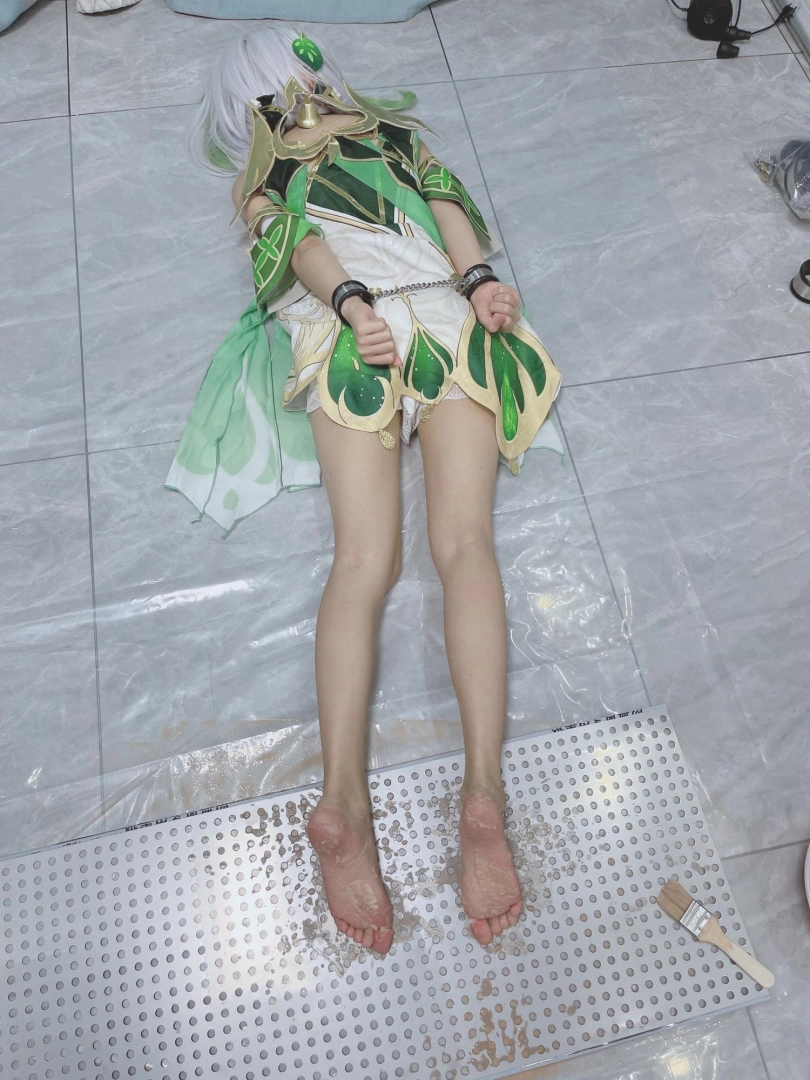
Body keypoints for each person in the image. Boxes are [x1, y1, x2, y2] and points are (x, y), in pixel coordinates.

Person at [169, 24, 562, 953]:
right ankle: (482, 790)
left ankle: (343, 796)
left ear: (244, 108)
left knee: (361, 564)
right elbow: (450, 210)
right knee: (464, 546)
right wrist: (481, 284)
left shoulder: (260, 175)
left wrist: (349, 304)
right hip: (444, 318)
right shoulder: (394, 136)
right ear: (322, 75)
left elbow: (293, 244)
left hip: (350, 338)